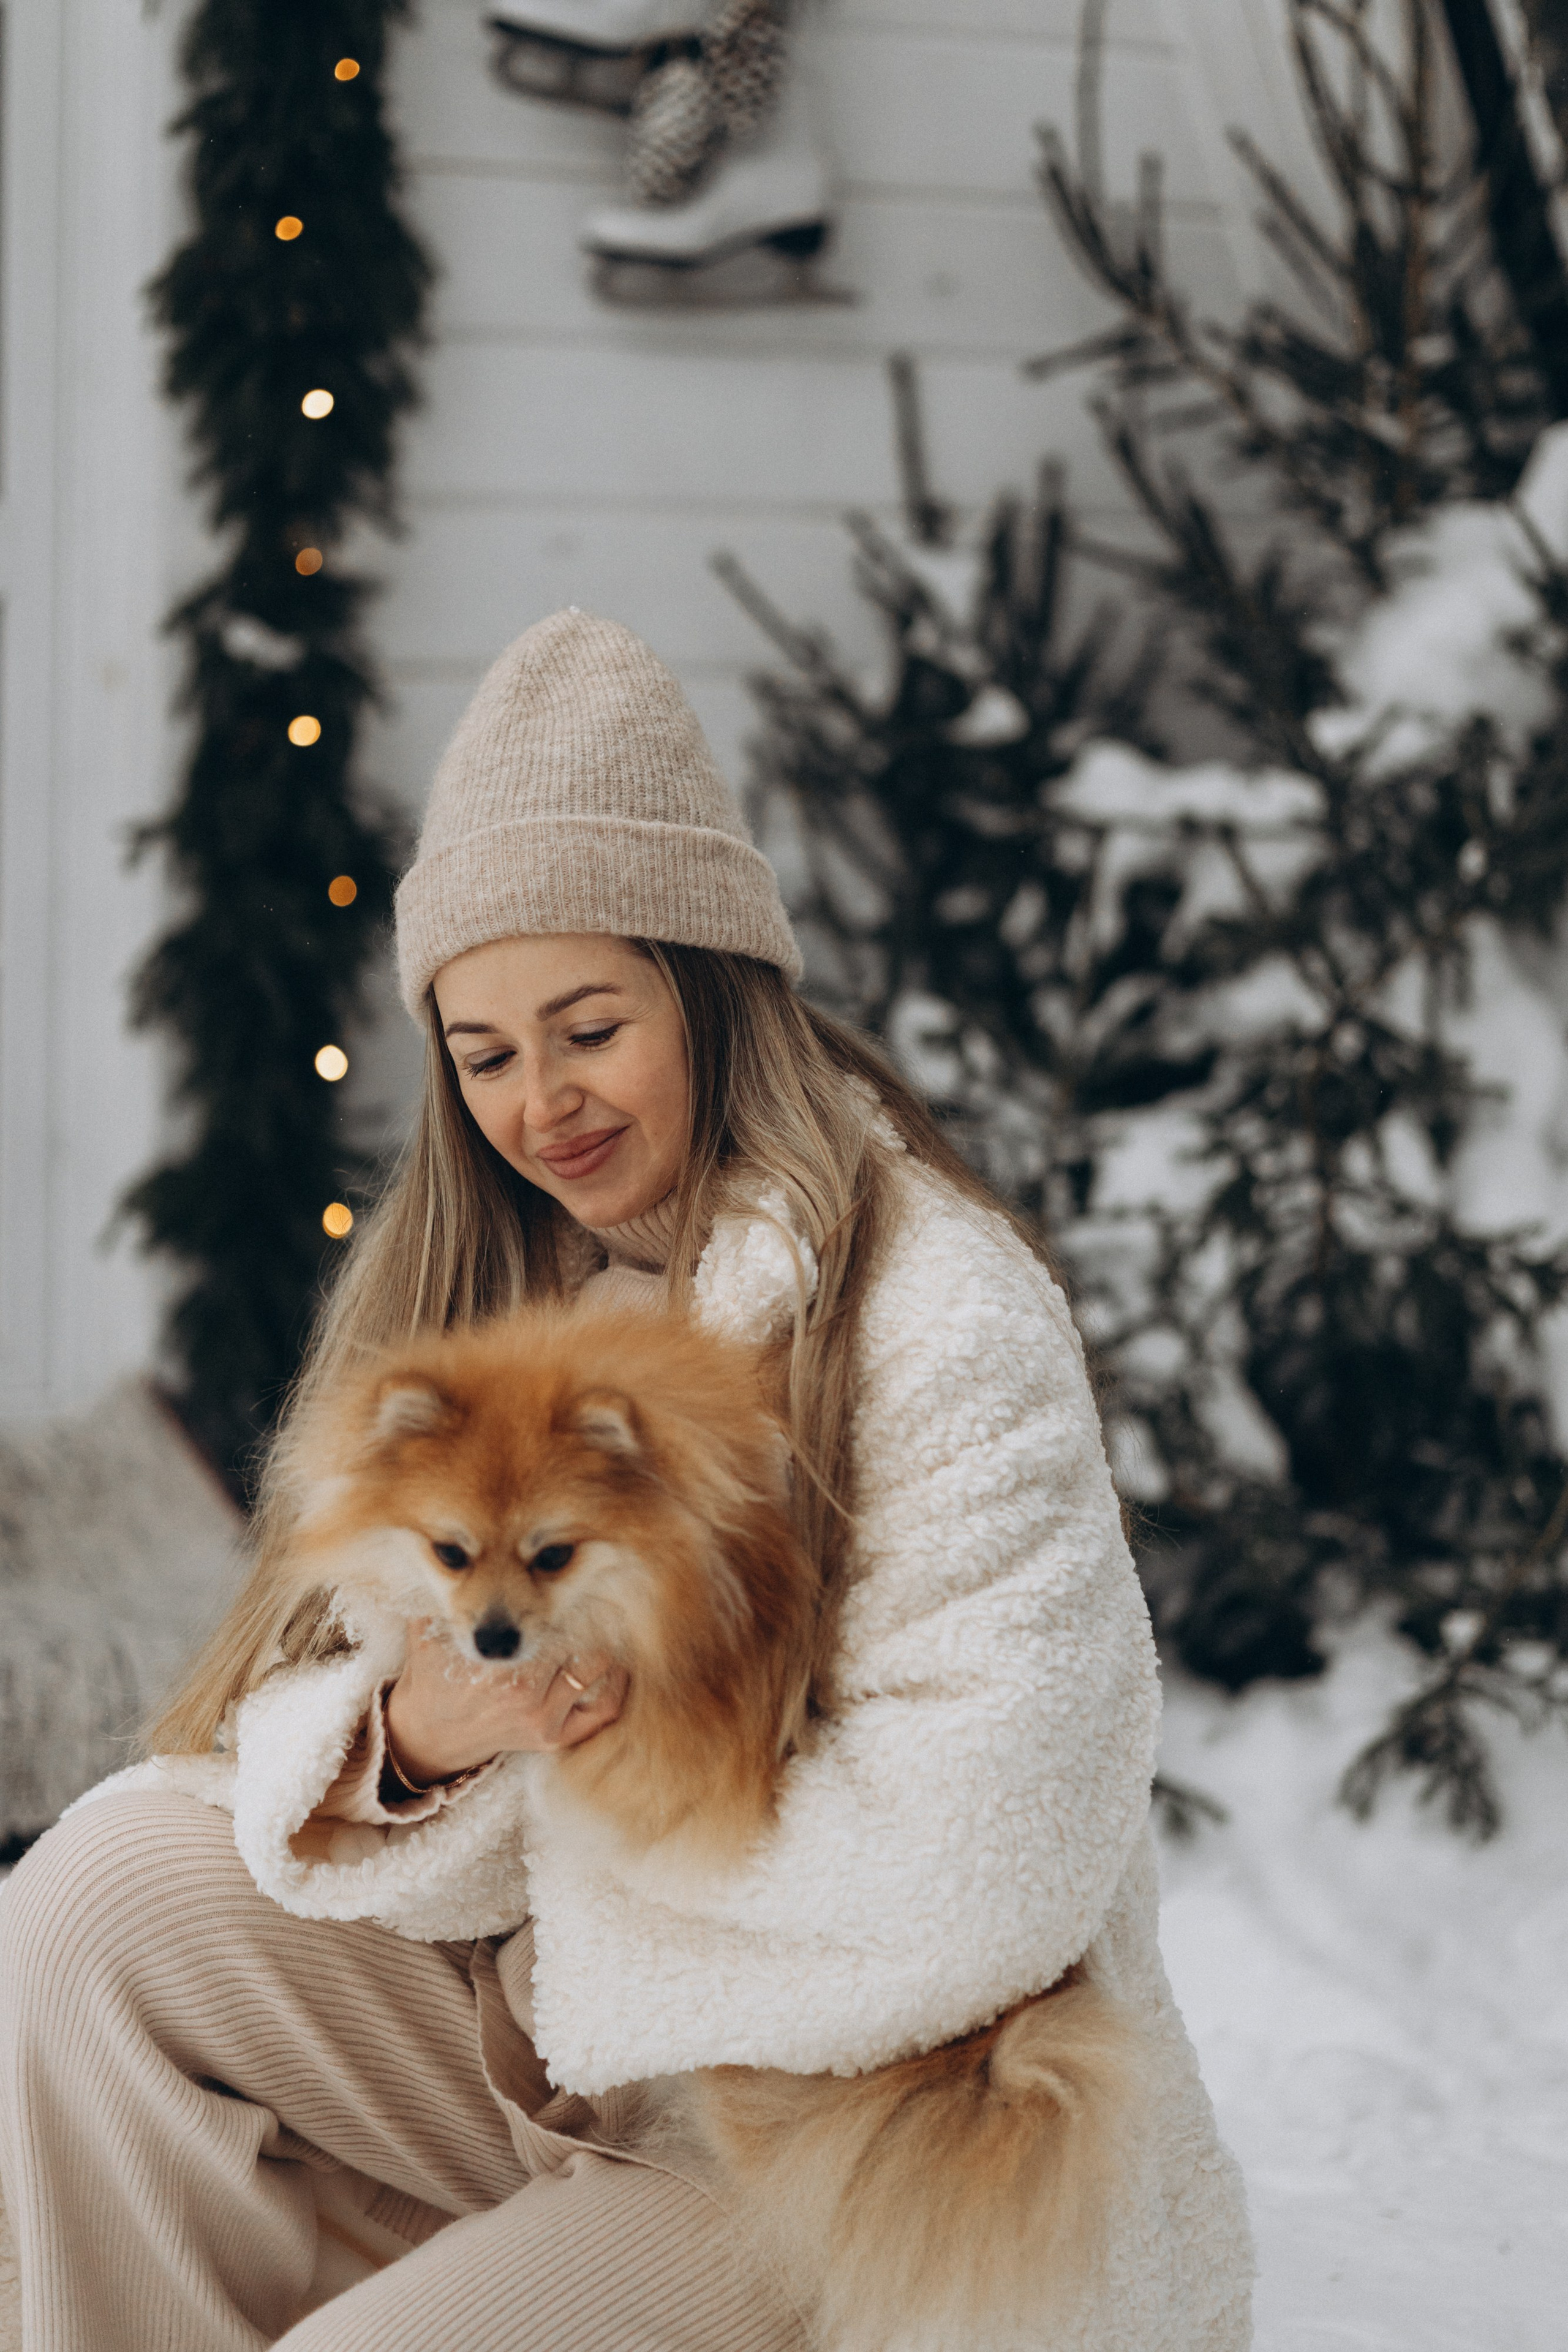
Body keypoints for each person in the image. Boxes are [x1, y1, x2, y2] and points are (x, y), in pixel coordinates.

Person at [0, 611, 1253, 2352]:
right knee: (86, 1912)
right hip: (583, 2051)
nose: (543, 1105)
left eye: (588, 1025)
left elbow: (996, 1863)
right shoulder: (502, 1304)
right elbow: (336, 1721)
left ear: (710, 987)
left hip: (850, 2130)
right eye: (486, 1053)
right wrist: (430, 1740)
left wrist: (586, 1819)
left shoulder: (935, 1313)